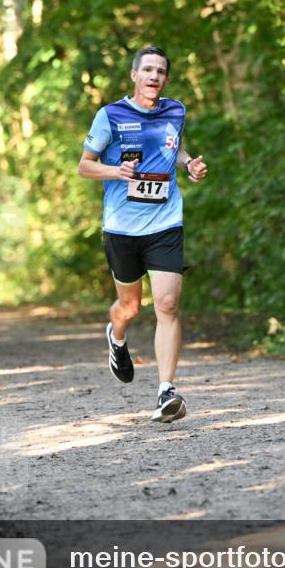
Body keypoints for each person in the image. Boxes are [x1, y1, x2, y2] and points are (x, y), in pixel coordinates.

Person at [78, 46, 207, 423]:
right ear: (134, 75)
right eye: (147, 70)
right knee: (130, 307)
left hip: (165, 222)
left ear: (166, 79)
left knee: (167, 304)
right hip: (122, 226)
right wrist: (115, 171)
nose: (154, 76)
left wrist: (189, 164)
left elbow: (174, 147)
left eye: (161, 71)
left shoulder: (176, 111)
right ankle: (116, 335)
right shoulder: (110, 115)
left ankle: (167, 391)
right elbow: (85, 166)